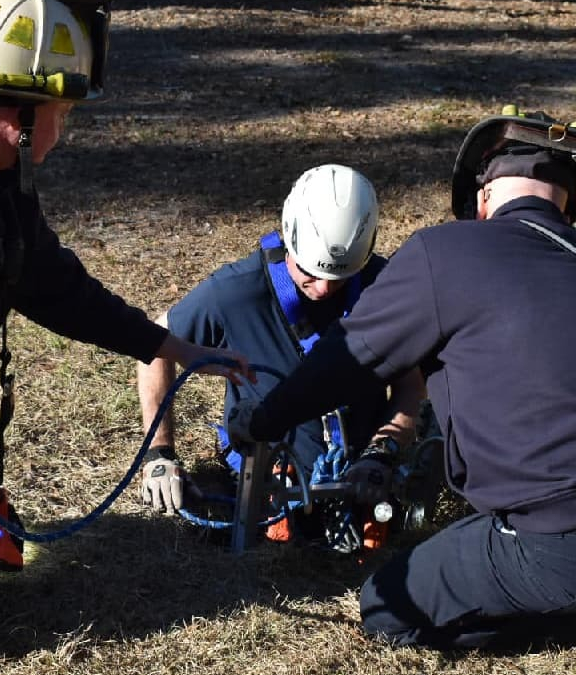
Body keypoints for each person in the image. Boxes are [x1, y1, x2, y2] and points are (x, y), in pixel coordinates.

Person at [227, 109, 576, 648]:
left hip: (551, 537)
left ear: (482, 199)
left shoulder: (446, 253)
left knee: (386, 609)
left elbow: (345, 361)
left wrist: (265, 419)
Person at [0, 0, 251, 569]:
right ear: (20, 113)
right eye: (64, 112)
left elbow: (66, 294)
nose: (63, 129)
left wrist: (180, 349)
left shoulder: (3, 195)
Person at [136, 165, 425, 550]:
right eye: (309, 272)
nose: (323, 289)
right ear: (289, 238)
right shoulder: (237, 293)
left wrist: (383, 451)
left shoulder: (384, 286)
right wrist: (159, 453)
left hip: (362, 470)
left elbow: (412, 384)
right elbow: (153, 347)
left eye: (338, 277)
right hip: (264, 473)